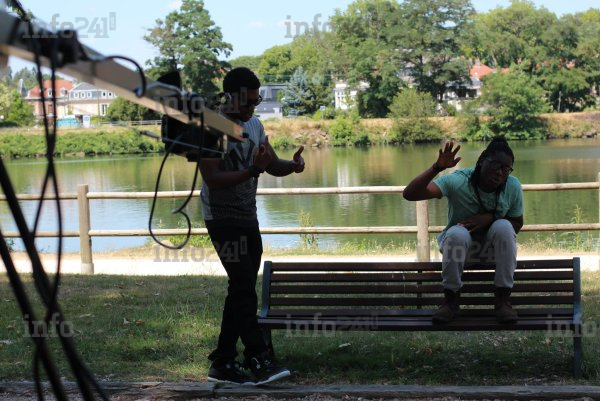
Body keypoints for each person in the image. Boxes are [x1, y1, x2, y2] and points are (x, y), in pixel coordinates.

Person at [199, 67, 305, 385]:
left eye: (256, 101)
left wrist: (292, 166)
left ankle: (222, 362)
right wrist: (252, 171)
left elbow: (270, 163)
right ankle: (258, 357)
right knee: (244, 286)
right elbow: (213, 178)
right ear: (230, 97)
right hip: (221, 217)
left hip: (248, 215)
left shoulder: (255, 125)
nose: (252, 108)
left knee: (240, 286)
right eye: (247, 102)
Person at [403, 138, 523, 324]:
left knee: (504, 226)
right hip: (459, 251)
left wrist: (490, 218)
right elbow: (410, 194)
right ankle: (450, 302)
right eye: (496, 165)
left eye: (506, 169)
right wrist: (436, 168)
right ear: (482, 161)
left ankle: (502, 302)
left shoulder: (512, 186)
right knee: (457, 233)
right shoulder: (458, 181)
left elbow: (517, 223)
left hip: (492, 253)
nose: (500, 173)